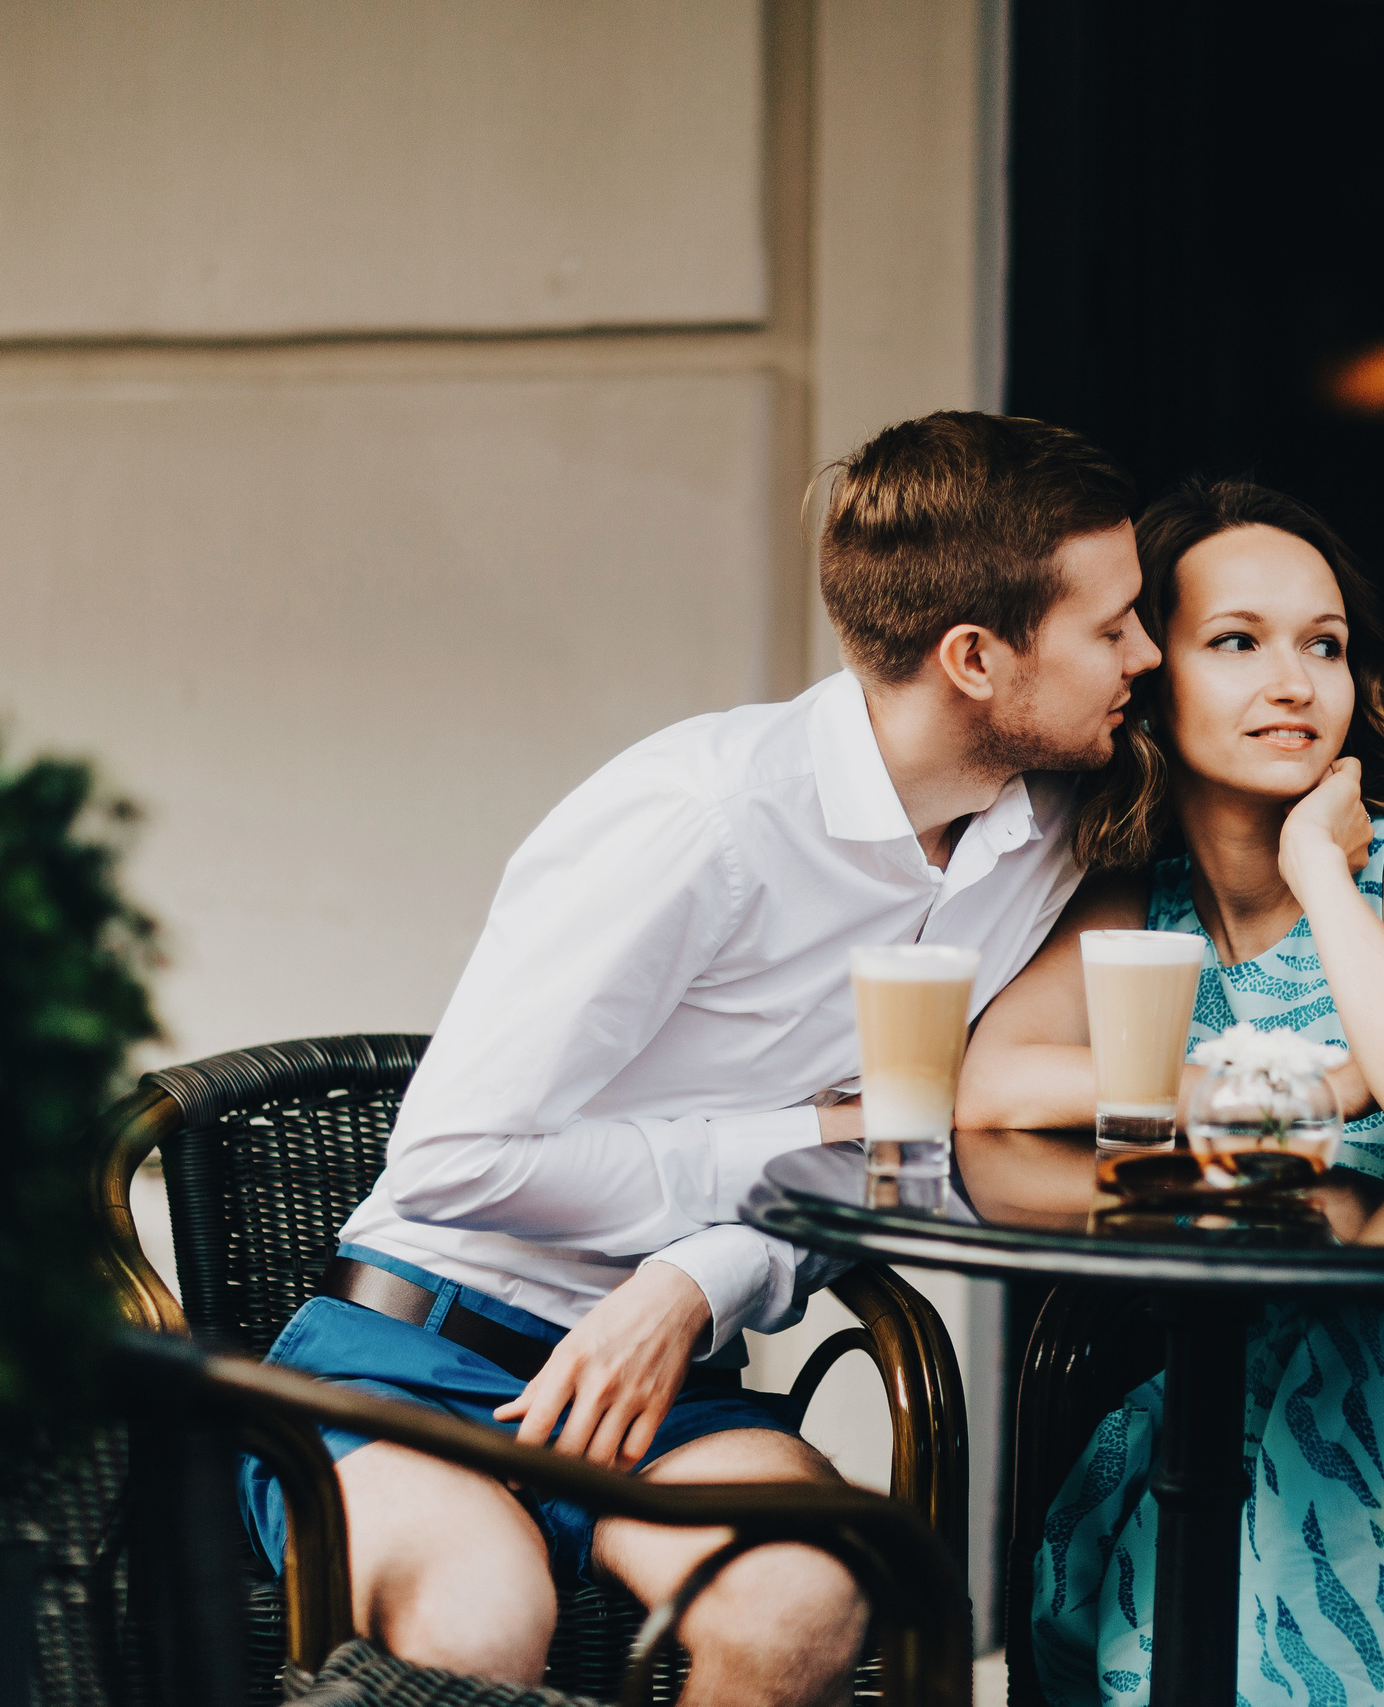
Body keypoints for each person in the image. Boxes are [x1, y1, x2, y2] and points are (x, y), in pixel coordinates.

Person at [238, 411, 1162, 1706]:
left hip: (676, 1386)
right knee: (477, 1613)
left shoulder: (1044, 841)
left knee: (803, 1594)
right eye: (1111, 626)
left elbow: (908, 1152)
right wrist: (809, 1128)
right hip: (423, 1350)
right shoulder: (700, 814)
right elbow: (453, 1155)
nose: (1148, 652)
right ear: (974, 657)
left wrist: (699, 1273)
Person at [955, 478, 1384, 1706]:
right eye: (1237, 643)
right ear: (1149, 673)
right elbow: (993, 1091)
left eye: (1323, 646)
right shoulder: (1139, 902)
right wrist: (1314, 1084)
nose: (1294, 683)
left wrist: (1321, 881)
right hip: (1236, 1362)